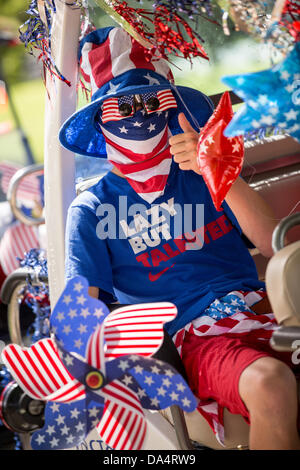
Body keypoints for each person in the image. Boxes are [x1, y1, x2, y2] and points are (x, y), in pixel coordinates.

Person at [60, 26, 300, 450]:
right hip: (188, 341)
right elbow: (85, 319)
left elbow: (272, 245)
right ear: (101, 117)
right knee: (271, 383)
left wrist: (218, 169)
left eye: (154, 101)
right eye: (122, 105)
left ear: (172, 108)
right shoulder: (91, 210)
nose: (140, 114)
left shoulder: (203, 173)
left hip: (265, 313)